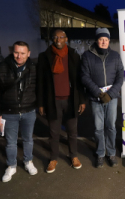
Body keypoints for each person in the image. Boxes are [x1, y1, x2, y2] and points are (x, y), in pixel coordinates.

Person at [37, 29, 86, 173]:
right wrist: (40, 103)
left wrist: (82, 100)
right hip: (52, 101)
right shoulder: (44, 56)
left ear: (66, 39)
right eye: (55, 37)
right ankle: (53, 158)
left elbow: (79, 80)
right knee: (54, 133)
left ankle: (74, 156)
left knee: (72, 131)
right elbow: (40, 81)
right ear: (52, 39)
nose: (58, 40)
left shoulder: (73, 55)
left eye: (61, 37)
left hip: (71, 100)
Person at [0, 41, 38, 182]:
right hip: (9, 113)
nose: (19, 56)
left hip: (29, 111)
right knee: (10, 142)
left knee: (28, 139)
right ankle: (11, 166)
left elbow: (39, 88)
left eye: (23, 53)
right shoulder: (0, 68)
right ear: (12, 52)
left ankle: (28, 161)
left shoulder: (34, 68)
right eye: (16, 52)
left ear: (29, 54)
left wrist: (39, 105)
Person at [81, 28, 124, 168]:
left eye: (106, 39)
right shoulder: (87, 56)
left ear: (109, 41)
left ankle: (111, 153)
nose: (104, 42)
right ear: (96, 40)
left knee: (111, 126)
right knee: (98, 128)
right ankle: (100, 154)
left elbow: (120, 76)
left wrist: (110, 94)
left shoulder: (115, 56)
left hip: (111, 98)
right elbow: (84, 77)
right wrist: (99, 93)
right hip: (95, 98)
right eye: (101, 39)